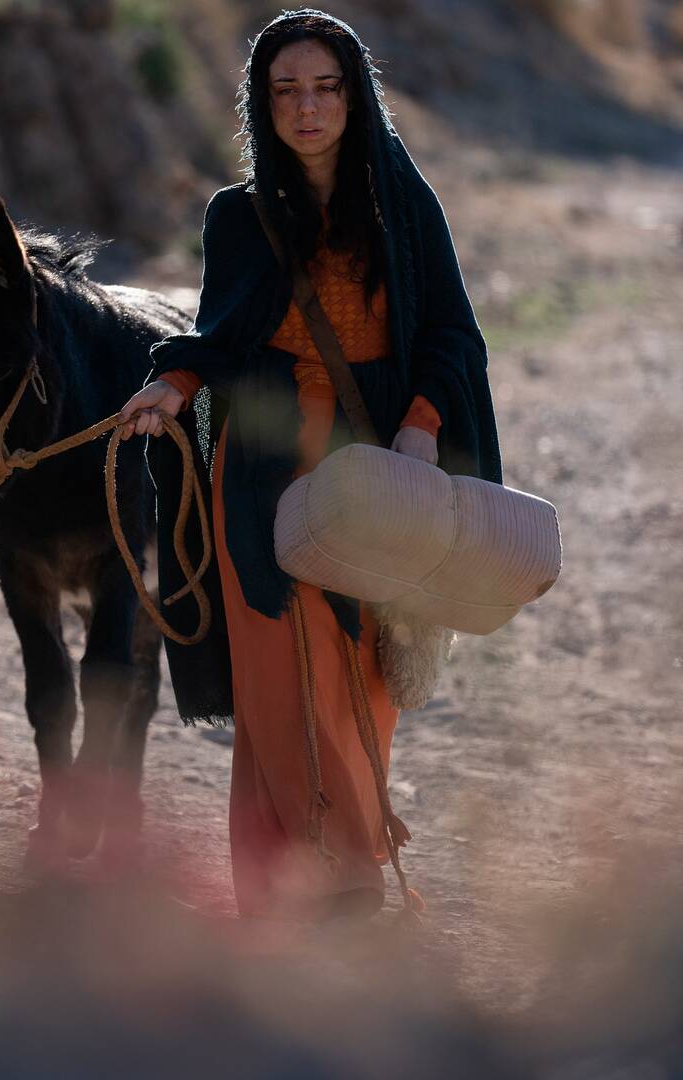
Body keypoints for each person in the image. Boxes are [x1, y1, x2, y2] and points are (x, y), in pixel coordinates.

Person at [114, 8, 501, 922]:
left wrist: (418, 425)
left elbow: (452, 334)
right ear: (263, 105)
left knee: (360, 671)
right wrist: (169, 387)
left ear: (355, 95)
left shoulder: (405, 208)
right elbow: (218, 336)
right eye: (285, 90)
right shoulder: (237, 218)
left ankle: (347, 864)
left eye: (326, 87)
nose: (307, 108)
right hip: (259, 469)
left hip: (376, 467)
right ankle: (291, 888)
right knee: (279, 685)